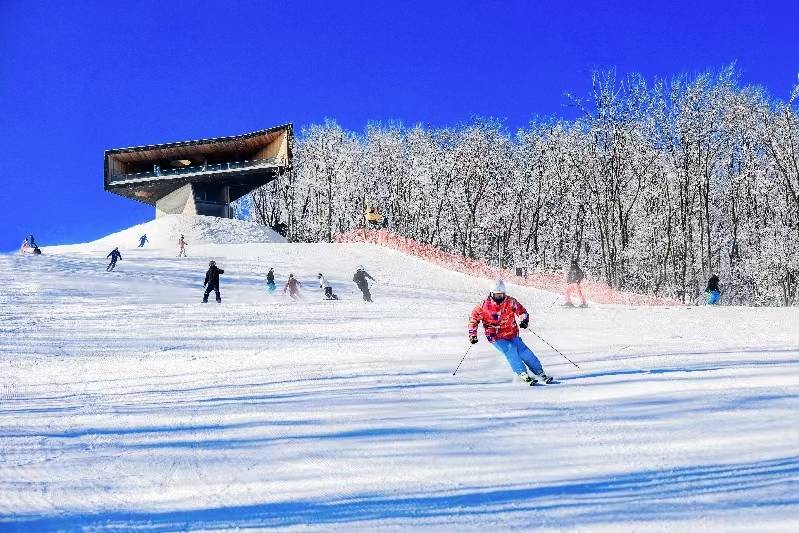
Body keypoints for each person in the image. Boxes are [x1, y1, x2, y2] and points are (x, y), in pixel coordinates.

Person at [468, 279, 552, 385]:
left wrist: (524, 320)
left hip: (511, 333)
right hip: (495, 336)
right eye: (497, 295)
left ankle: (539, 372)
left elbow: (522, 312)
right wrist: (472, 335)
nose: (500, 298)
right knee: (511, 349)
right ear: (491, 294)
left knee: (523, 351)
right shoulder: (483, 306)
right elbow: (473, 320)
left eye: (501, 295)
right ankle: (522, 373)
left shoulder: (510, 302)